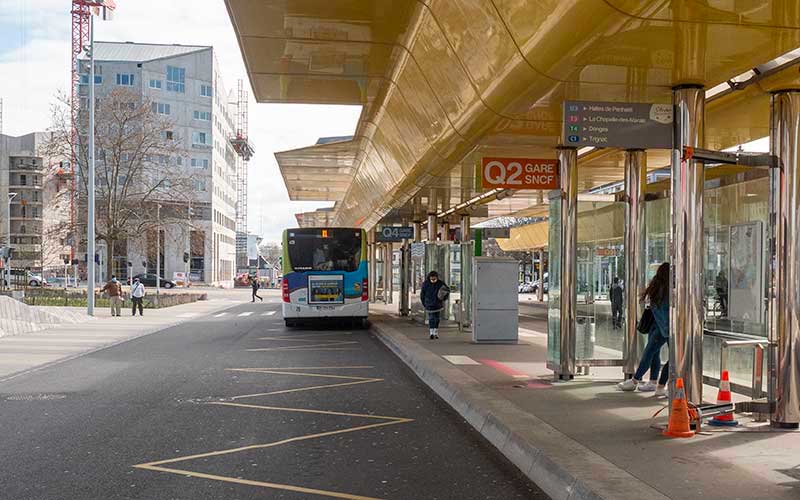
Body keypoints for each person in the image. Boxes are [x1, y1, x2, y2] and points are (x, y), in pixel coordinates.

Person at [617, 262, 670, 396]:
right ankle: (643, 382)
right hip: (665, 328)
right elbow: (666, 313)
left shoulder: (657, 287)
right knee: (654, 353)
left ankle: (651, 382)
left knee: (652, 353)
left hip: (657, 326)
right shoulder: (667, 290)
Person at [421, 271, 448, 340]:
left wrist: (443, 299)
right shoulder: (426, 284)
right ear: (429, 277)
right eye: (432, 278)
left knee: (437, 319)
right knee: (431, 318)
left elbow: (447, 291)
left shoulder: (440, 283)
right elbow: (422, 295)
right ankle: (432, 333)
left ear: (437, 277)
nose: (433, 280)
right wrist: (424, 304)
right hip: (429, 305)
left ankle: (435, 332)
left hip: (437, 305)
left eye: (434, 278)